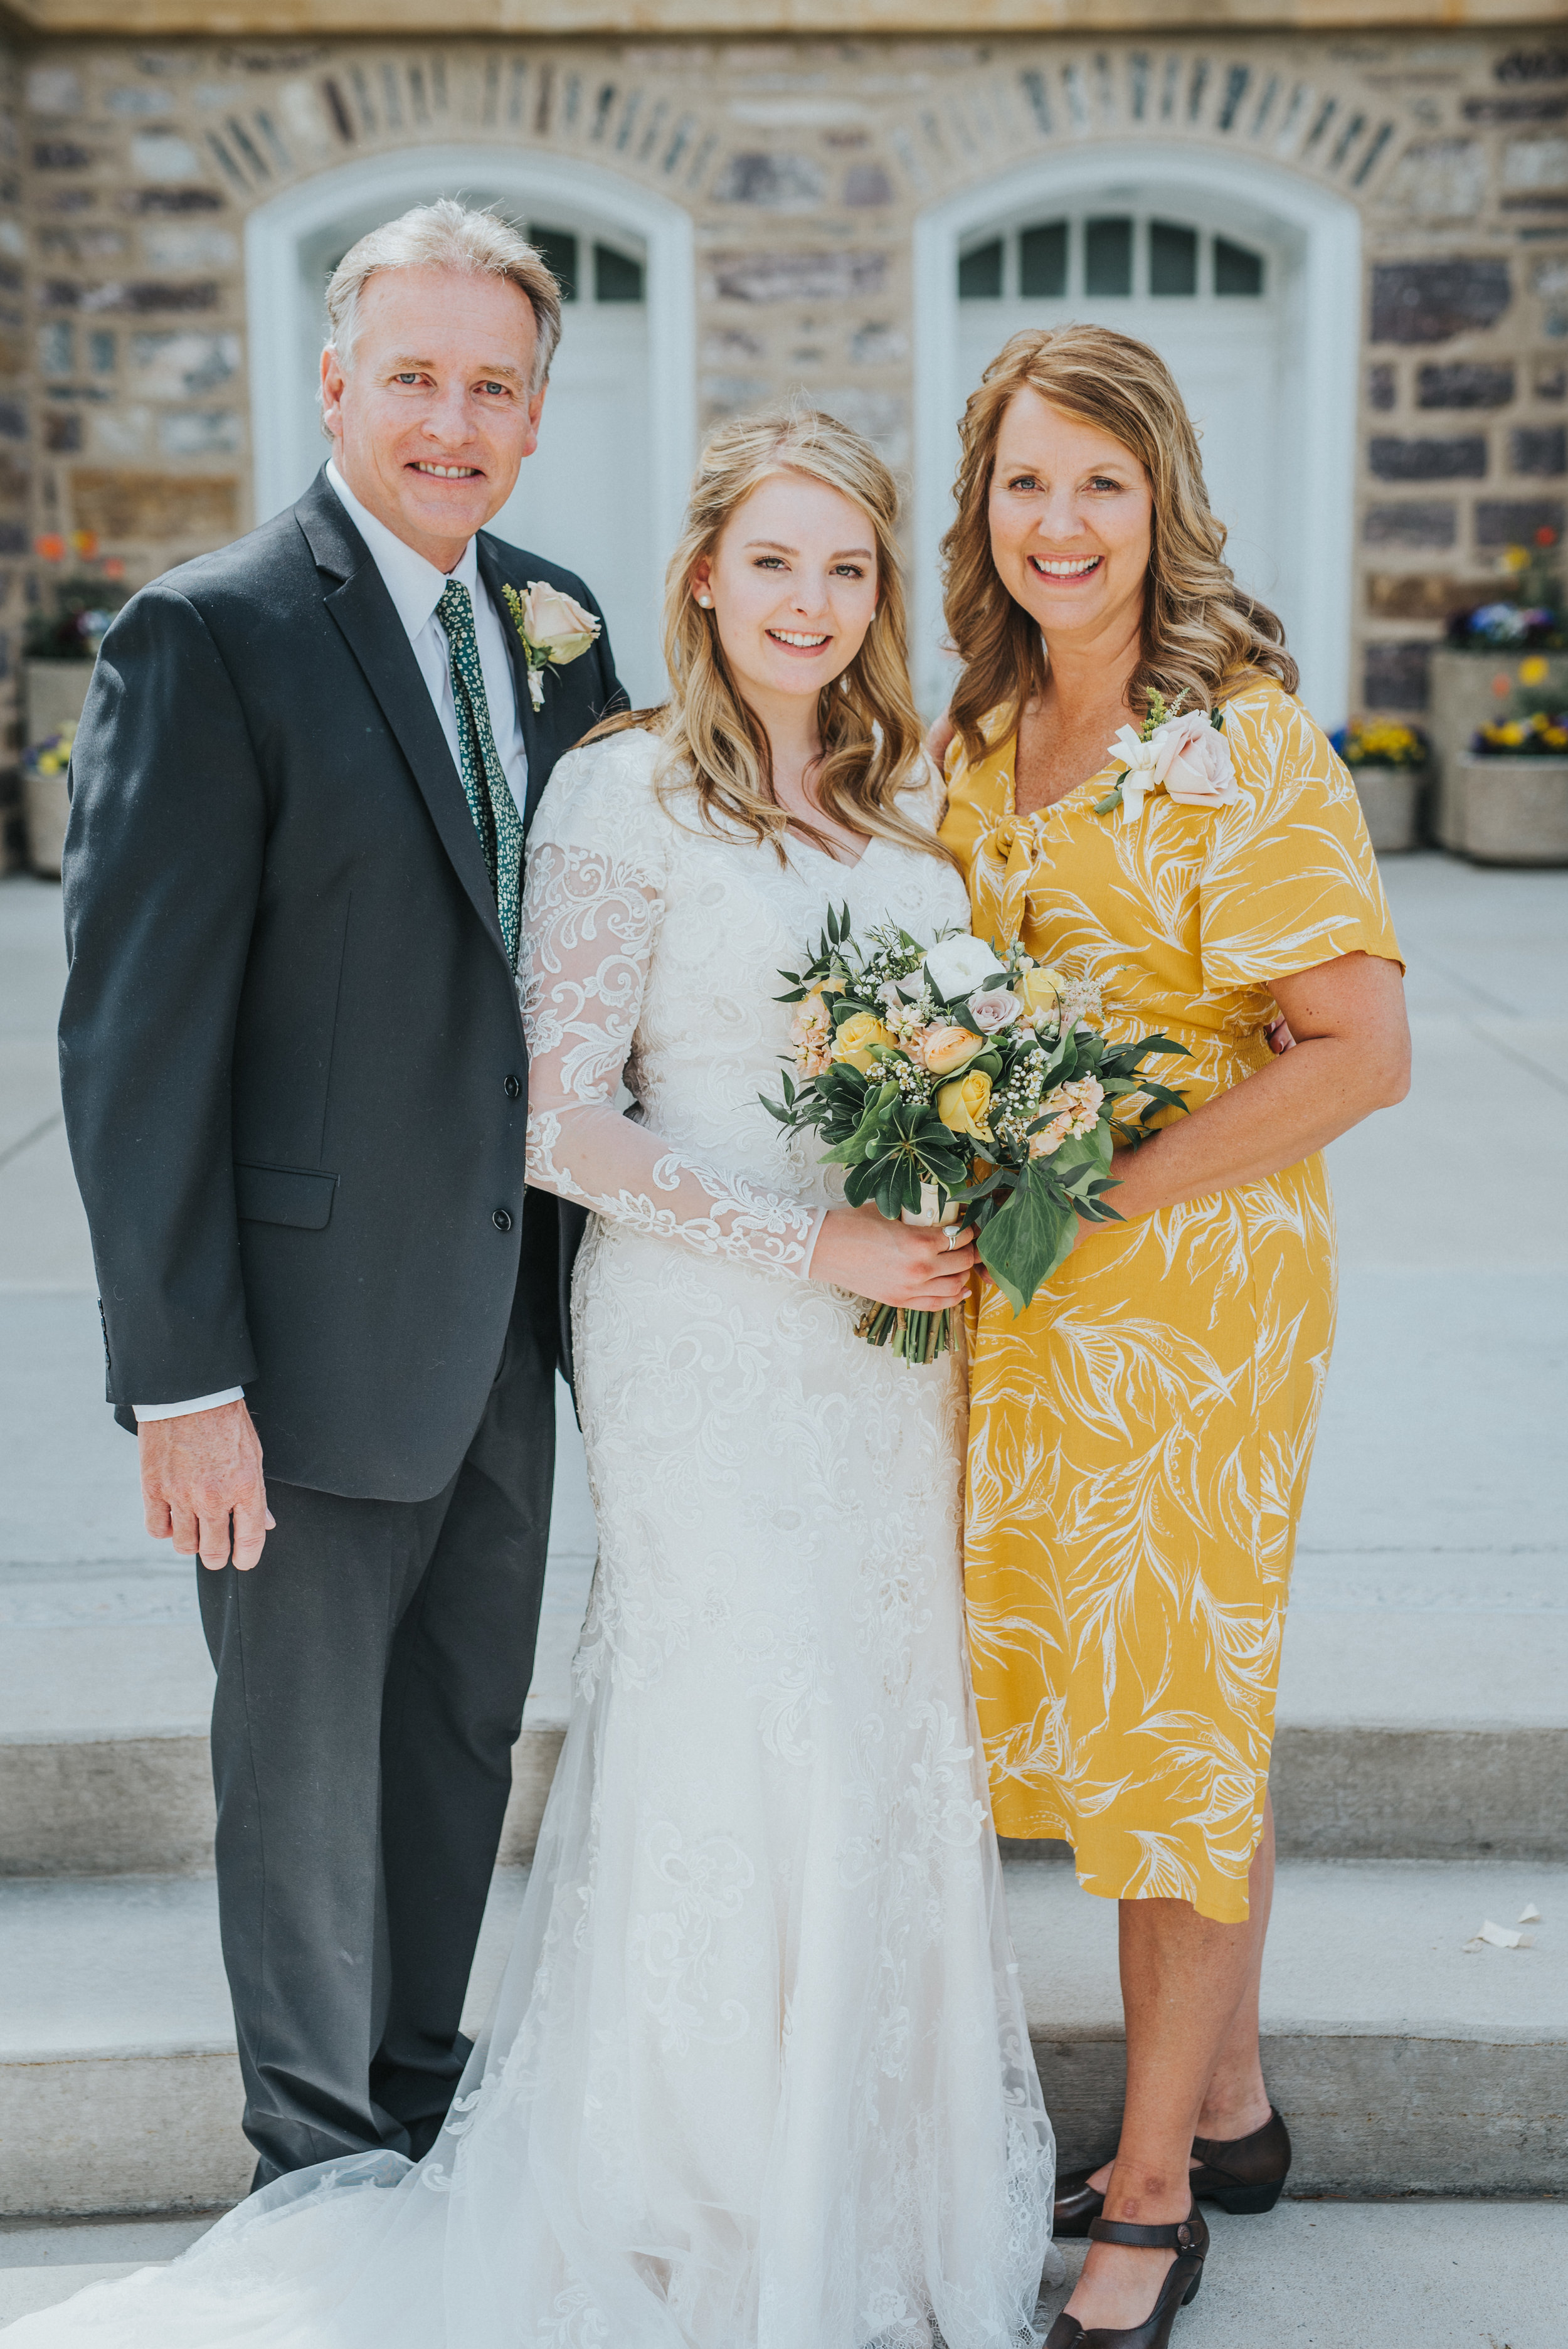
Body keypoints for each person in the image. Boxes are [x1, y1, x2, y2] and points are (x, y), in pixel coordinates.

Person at [12, 409, 1059, 2346]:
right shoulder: (620, 785)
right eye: (771, 562)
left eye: (845, 568)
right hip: (712, 1337)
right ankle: (687, 2191)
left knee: (874, 1725)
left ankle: (861, 2175)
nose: (809, 602)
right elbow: (554, 1116)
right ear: (702, 577)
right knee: (734, 1717)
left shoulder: (913, 800)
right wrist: (812, 1243)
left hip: (888, 1360)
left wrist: (976, 1170)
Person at [56, 200, 625, 2188]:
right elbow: (131, 1043)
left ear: (534, 414)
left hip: (508, 1321)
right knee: (302, 1778)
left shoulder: (558, 625)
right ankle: (311, 2168)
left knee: (459, 1736)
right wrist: (181, 1377)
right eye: (414, 377)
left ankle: (413, 2105)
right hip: (292, 1353)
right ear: (333, 383)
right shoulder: (209, 635)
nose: (451, 422)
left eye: (491, 386)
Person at [933, 327, 1409, 2349]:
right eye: (1026, 482)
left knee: (1169, 1724)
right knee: (1138, 1705)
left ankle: (1150, 2197)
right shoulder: (971, 737)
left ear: (1163, 503)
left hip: (1195, 1299)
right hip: (1027, 1309)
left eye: (1101, 484)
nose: (1061, 523)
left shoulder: (1239, 741)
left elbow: (1358, 1051)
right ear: (981, 505)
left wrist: (1108, 1191)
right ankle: (1225, 2103)